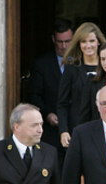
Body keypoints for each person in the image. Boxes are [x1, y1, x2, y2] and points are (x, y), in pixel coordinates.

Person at [28, 18, 73, 163]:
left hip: (77, 129)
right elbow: (34, 95)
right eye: (60, 41)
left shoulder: (82, 63)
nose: (64, 46)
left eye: (68, 41)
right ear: (53, 39)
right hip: (52, 133)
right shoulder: (41, 64)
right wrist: (47, 114)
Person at [56, 22, 106, 149]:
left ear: (98, 42)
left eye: (91, 41)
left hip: (104, 127)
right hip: (77, 129)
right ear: (79, 43)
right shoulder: (71, 68)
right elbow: (62, 103)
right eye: (84, 41)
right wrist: (63, 130)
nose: (88, 45)